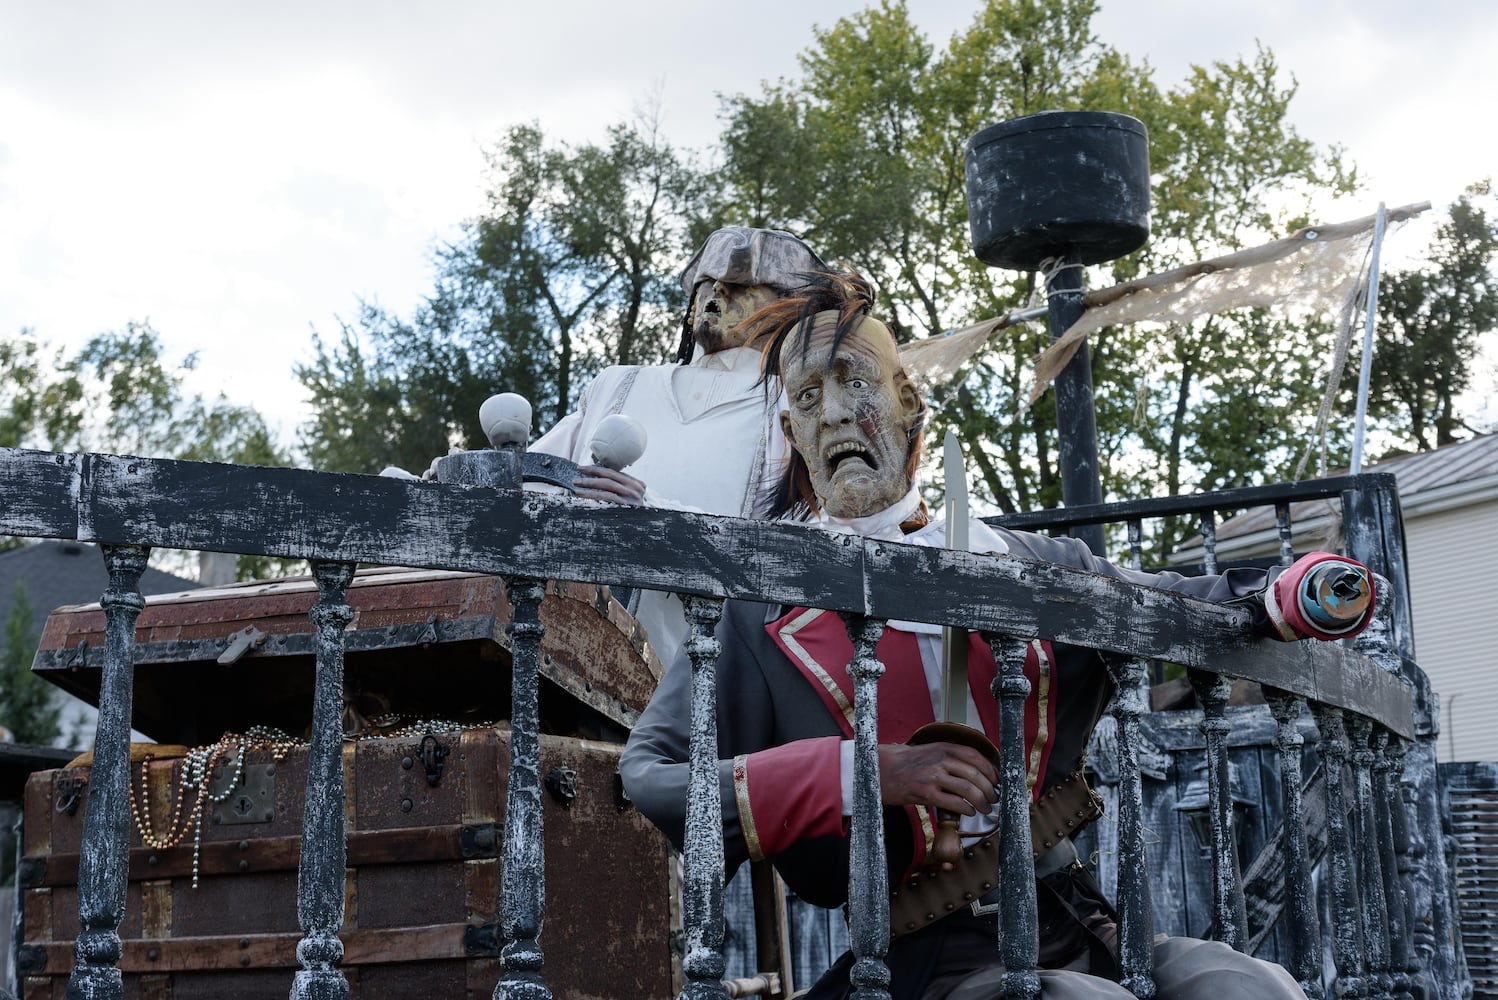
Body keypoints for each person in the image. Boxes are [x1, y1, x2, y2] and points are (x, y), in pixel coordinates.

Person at [619, 274, 1373, 1000]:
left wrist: (1288, 595)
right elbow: (650, 773)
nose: (836, 415)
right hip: (926, 956)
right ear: (793, 434)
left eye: (856, 382)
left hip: (1081, 919)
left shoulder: (1030, 565)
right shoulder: (762, 612)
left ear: (906, 401)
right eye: (808, 399)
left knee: (1247, 984)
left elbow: (1185, 600)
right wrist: (863, 772)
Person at [527, 225, 831, 668]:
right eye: (706, 283)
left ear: (788, 310)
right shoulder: (617, 383)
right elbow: (537, 477)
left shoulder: (797, 409)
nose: (718, 292)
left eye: (745, 285)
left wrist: (655, 517)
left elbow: (800, 552)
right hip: (565, 656)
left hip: (710, 675)